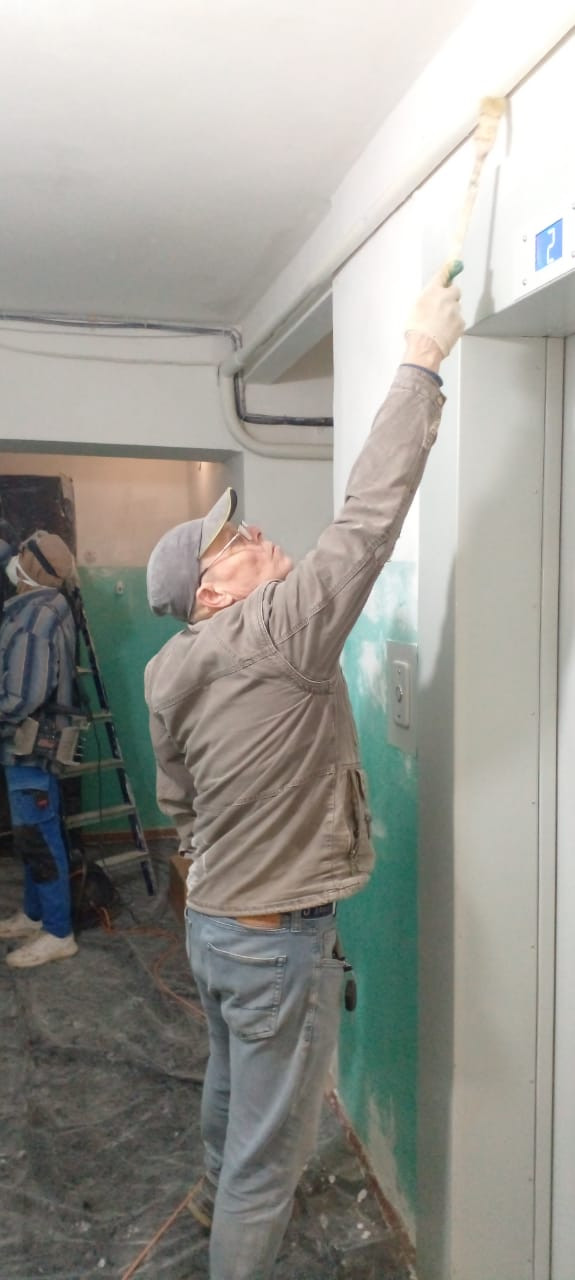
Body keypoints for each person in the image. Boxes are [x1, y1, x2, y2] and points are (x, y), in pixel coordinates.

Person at [144, 270, 464, 1280]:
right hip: (271, 940)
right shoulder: (278, 629)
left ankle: (209, 1197)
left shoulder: (168, 669)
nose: (255, 535)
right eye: (234, 542)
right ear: (209, 591)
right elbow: (368, 519)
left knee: (230, 1082)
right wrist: (420, 359)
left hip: (213, 924)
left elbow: (176, 798)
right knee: (268, 1160)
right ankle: (231, 1229)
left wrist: (212, 864)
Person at [0, 530, 79, 968]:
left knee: (40, 839)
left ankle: (58, 932)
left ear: (30, 566)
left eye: (21, 554)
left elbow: (21, 697)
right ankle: (34, 916)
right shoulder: (43, 606)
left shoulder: (35, 618)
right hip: (27, 747)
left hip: (29, 746)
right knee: (32, 837)